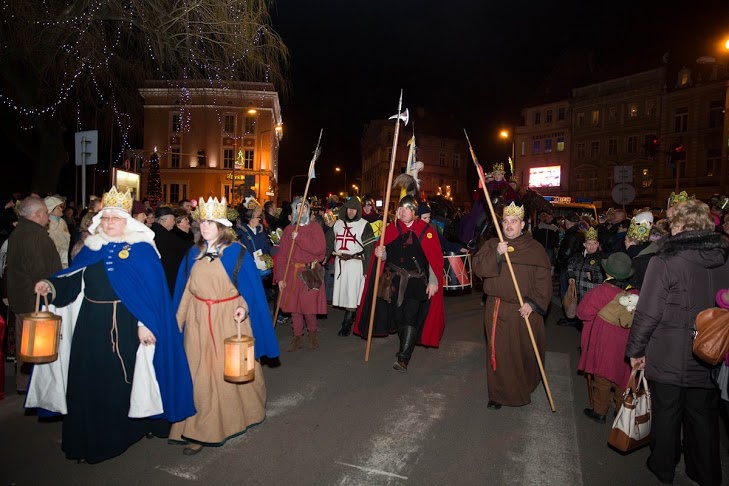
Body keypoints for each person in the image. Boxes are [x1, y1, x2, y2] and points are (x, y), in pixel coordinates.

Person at [25, 187, 195, 464]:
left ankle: (121, 434)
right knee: (86, 381)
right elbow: (71, 280)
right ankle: (84, 440)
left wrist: (146, 323)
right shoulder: (92, 249)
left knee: (119, 382)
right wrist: (51, 285)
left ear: (127, 221)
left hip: (125, 326)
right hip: (90, 324)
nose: (109, 223)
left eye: (115, 219)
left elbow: (151, 294)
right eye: (105, 219)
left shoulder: (142, 250)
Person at [626, 199, 729, 486]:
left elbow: (648, 312)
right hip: (710, 351)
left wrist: (636, 350)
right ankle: (706, 471)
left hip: (669, 352)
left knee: (667, 413)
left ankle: (663, 467)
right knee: (703, 416)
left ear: (680, 226)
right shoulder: (725, 259)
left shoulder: (665, 260)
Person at [169, 196, 279, 456]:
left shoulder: (236, 253)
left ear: (221, 226)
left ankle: (243, 414)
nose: (204, 226)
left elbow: (248, 291)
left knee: (231, 372)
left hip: (228, 321)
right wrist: (176, 325)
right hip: (197, 322)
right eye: (201, 222)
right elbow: (185, 291)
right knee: (199, 375)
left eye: (210, 222)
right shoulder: (192, 254)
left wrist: (243, 306)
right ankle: (198, 431)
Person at [472, 202, 551, 409]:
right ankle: (498, 394)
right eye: (505, 222)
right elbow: (478, 267)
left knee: (524, 352)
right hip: (498, 308)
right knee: (499, 353)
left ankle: (524, 385)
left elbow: (543, 280)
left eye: (513, 222)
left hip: (525, 311)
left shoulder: (535, 249)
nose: (508, 226)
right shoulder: (492, 244)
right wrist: (496, 254)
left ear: (522, 224)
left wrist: (532, 303)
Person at [353, 195, 445, 372]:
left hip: (416, 282)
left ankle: (403, 357)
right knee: (399, 317)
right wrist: (381, 254)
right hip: (394, 281)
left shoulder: (426, 230)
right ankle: (406, 345)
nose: (402, 212)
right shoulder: (391, 229)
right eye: (400, 209)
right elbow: (386, 256)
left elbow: (434, 259)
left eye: (406, 209)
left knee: (410, 317)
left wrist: (433, 282)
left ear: (414, 212)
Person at [6, 196, 62, 394]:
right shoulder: (34, 236)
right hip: (33, 298)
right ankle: (29, 384)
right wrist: (51, 287)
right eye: (45, 212)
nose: (47, 215)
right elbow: (40, 271)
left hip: (21, 296)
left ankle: (25, 382)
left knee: (26, 340)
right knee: (34, 343)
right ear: (37, 214)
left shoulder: (19, 232)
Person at [577, 252, 638, 423]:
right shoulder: (636, 294)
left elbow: (582, 312)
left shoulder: (602, 291)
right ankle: (621, 412)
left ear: (608, 272)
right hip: (627, 343)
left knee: (602, 376)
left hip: (604, 341)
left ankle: (599, 410)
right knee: (623, 377)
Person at [274, 197, 327, 351]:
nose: (301, 209)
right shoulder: (288, 230)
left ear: (308, 209)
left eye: (304, 207)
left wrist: (300, 238)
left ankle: (312, 333)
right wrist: (280, 277)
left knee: (308, 307)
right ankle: (297, 337)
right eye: (298, 207)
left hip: (310, 272)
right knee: (294, 308)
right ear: (294, 210)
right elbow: (282, 255)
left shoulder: (315, 228)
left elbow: (319, 250)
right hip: (292, 272)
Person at [331, 196, 374, 337]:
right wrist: (322, 257)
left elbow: (369, 249)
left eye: (354, 209)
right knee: (343, 293)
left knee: (352, 294)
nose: (351, 212)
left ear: (358, 211)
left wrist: (367, 270)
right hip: (340, 264)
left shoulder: (364, 225)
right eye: (349, 209)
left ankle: (346, 325)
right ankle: (352, 317)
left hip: (355, 265)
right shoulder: (337, 224)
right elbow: (328, 241)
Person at [151, 206, 194, 295]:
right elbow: (185, 247)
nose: (174, 222)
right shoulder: (163, 236)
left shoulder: (158, 232)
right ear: (163, 220)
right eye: (173, 219)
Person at [556, 212, 584, 326]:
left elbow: (566, 252)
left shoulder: (571, 235)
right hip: (577, 266)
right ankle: (573, 316)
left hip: (568, 266)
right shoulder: (581, 233)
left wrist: (559, 260)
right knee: (574, 292)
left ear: (568, 222)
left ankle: (569, 317)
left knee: (567, 293)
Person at [567, 226, 604, 307]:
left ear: (598, 244)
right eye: (589, 243)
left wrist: (593, 276)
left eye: (594, 243)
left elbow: (604, 276)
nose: (592, 246)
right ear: (584, 244)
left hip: (592, 294)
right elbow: (570, 266)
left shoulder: (601, 258)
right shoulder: (578, 256)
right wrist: (571, 276)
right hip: (578, 292)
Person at [46, 195, 70, 269]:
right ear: (50, 210)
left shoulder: (62, 221)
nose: (61, 209)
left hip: (64, 256)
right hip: (53, 259)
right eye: (58, 208)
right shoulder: (47, 223)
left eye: (60, 207)